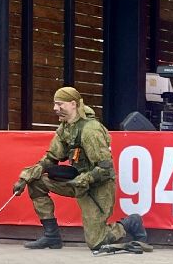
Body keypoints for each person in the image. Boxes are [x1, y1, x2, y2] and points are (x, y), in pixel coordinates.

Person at [12, 86, 147, 253]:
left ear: (73, 104)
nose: (55, 109)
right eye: (55, 104)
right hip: (78, 182)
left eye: (59, 104)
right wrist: (25, 177)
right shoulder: (65, 128)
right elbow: (51, 158)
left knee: (97, 243)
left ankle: (131, 222)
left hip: (98, 187)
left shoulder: (91, 130)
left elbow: (105, 168)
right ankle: (51, 236)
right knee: (36, 181)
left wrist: (84, 180)